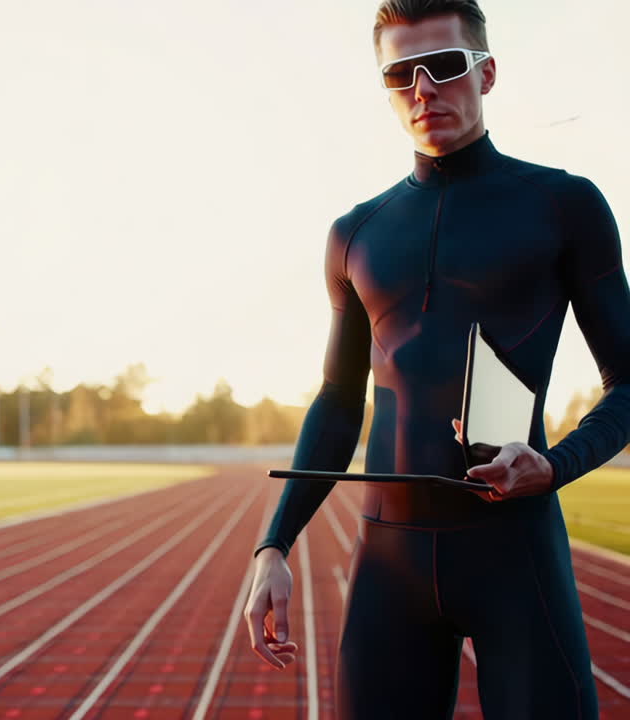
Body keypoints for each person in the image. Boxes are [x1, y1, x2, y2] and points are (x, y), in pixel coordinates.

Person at [242, 1, 630, 718]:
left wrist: (556, 465)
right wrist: (274, 545)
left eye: (444, 67)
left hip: (516, 554)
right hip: (389, 565)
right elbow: (336, 400)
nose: (423, 88)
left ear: (486, 73)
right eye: (400, 73)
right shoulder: (354, 233)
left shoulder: (564, 205)